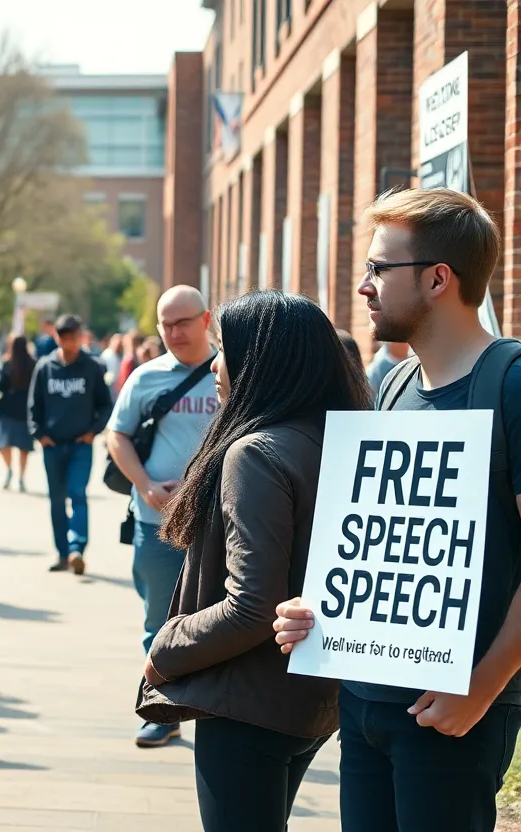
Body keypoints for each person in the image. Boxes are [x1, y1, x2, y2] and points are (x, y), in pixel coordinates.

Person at [273, 188, 521, 832]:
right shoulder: (393, 386)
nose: (364, 287)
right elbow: (381, 538)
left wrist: (485, 685)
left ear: (439, 278)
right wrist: (320, 608)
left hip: (454, 707)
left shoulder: (511, 383)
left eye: (380, 269)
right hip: (364, 702)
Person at [141, 292, 372, 831]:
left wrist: (166, 649)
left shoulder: (257, 452)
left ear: (260, 360)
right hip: (316, 699)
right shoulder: (341, 437)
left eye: (224, 349)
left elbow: (251, 605)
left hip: (250, 698)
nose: (215, 364)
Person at [108, 285, 218, 749]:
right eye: (165, 325)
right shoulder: (146, 377)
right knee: (159, 621)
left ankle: (216, 706)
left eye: (182, 323)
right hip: (157, 524)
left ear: (206, 318)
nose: (173, 333)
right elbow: (118, 436)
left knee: (218, 618)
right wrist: (146, 487)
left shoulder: (231, 372)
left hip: (220, 523)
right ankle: (162, 709)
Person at [28, 314, 114, 575]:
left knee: (77, 494)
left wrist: (93, 431)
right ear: (57, 338)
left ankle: (77, 549)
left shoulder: (91, 366)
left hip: (80, 445)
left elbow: (105, 404)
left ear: (81, 336)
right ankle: (62, 553)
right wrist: (39, 434)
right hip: (53, 445)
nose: (70, 344)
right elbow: (34, 406)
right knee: (56, 500)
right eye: (64, 339)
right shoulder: (45, 367)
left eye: (74, 338)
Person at [0, 334, 37, 492]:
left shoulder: (8, 364)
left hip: (8, 409)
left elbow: (1, 386)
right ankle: (20, 477)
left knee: (4, 444)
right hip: (26, 410)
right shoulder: (33, 364)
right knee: (23, 447)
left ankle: (9, 470)